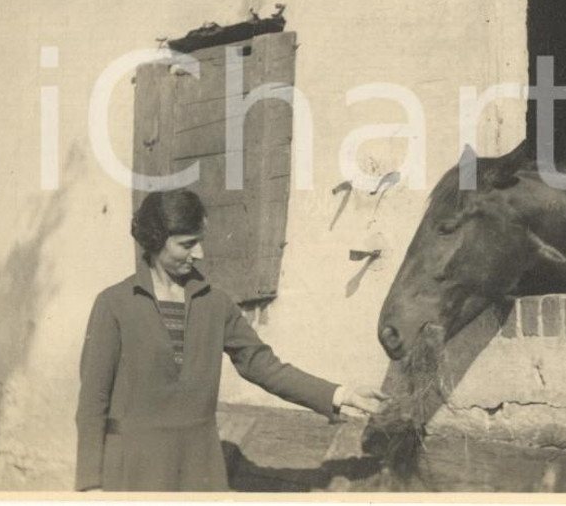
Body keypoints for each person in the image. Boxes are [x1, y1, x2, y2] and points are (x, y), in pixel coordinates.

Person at [75, 189, 387, 492]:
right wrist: (91, 484)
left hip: (199, 470)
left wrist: (342, 394)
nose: (200, 254)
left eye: (200, 242)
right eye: (187, 244)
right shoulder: (114, 304)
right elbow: (92, 403)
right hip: (133, 471)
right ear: (156, 240)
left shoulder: (215, 303)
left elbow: (263, 365)